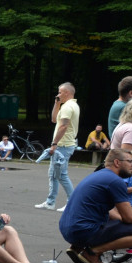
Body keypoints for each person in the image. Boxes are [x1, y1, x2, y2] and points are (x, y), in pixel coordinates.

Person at [58, 148, 132, 263]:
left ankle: (78, 248)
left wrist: (123, 223)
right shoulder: (115, 181)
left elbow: (110, 211)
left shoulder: (100, 175)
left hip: (68, 228)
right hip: (82, 231)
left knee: (117, 221)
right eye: (129, 161)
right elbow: (129, 217)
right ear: (117, 162)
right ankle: (92, 253)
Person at [32, 83, 79, 212]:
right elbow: (54, 120)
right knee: (53, 175)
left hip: (63, 145)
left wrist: (54, 144)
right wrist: (57, 103)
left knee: (61, 175)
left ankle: (71, 203)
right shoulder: (69, 106)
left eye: (60, 92)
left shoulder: (68, 107)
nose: (58, 94)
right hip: (64, 145)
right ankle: (50, 202)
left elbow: (63, 126)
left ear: (67, 93)